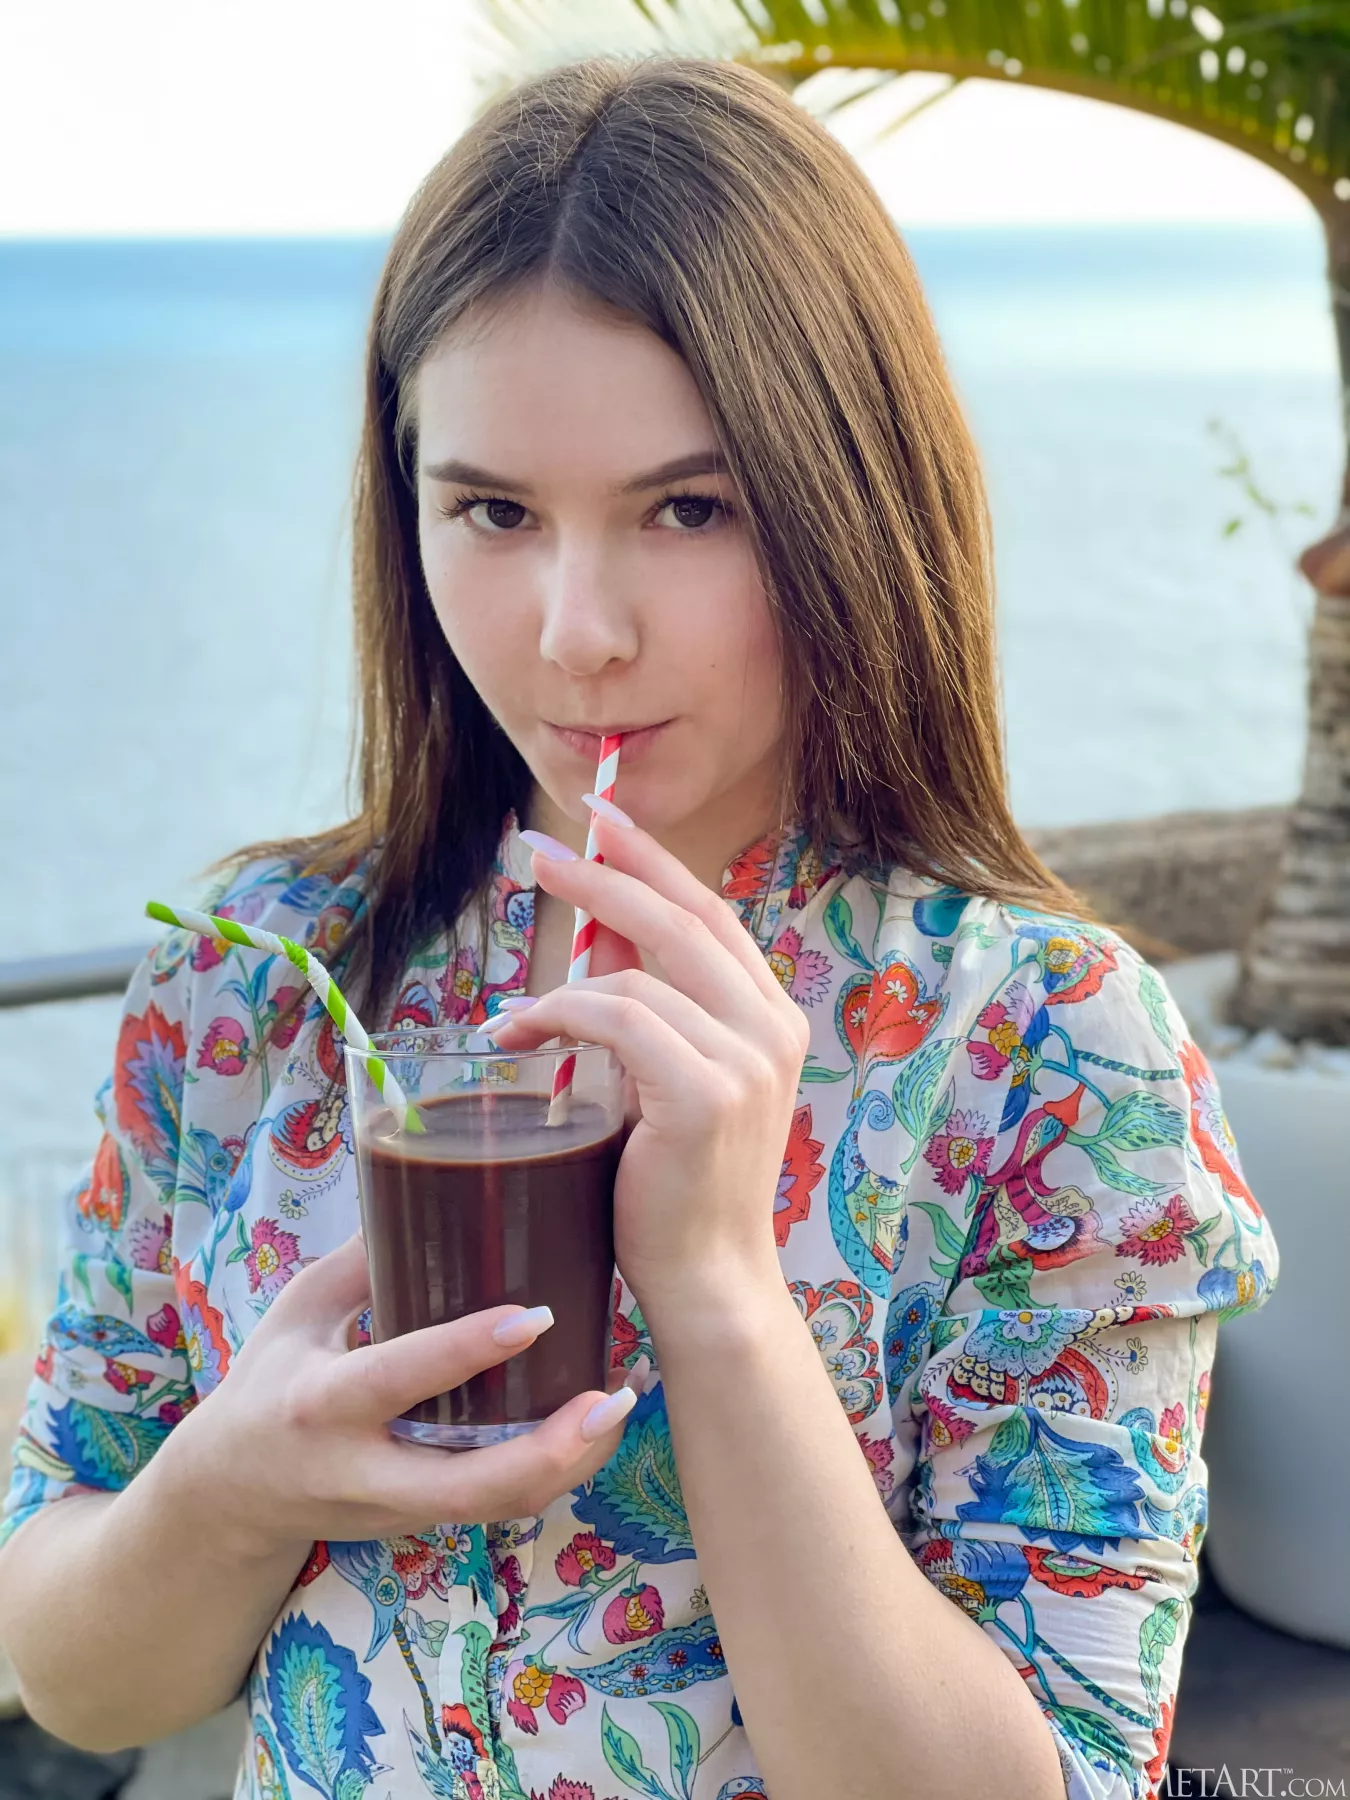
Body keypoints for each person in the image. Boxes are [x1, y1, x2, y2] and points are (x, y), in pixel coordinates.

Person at [0, 55, 1277, 1800]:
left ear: (847, 502)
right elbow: (75, 1682)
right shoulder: (254, 983)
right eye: (493, 511)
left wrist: (721, 1293)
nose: (576, 632)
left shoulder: (1048, 1052)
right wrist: (232, 1489)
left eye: (689, 508)